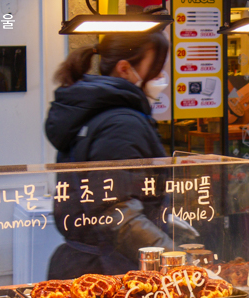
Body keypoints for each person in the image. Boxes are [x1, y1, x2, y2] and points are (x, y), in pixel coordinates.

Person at [44, 32, 175, 280]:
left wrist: (166, 219)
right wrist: (178, 262)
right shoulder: (121, 123)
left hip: (87, 266)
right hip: (108, 273)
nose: (161, 77)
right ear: (125, 68)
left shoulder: (101, 111)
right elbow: (116, 213)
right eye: (156, 68)